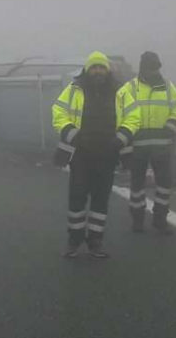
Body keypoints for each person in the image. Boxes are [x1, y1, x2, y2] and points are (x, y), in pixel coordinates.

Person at [53, 51, 140, 258]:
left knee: (101, 200)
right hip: (81, 154)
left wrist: (120, 139)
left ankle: (95, 241)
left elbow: (133, 117)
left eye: (101, 67)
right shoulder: (74, 89)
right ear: (87, 69)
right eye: (94, 67)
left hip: (107, 154)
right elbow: (58, 113)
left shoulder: (121, 92)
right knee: (77, 198)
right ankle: (74, 240)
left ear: (107, 70)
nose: (98, 71)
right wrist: (74, 136)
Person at [119, 51, 176, 234]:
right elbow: (120, 113)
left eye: (155, 67)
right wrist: (125, 144)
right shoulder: (130, 88)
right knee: (137, 187)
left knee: (164, 185)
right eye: (149, 67)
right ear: (142, 68)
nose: (153, 71)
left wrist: (171, 126)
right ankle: (138, 220)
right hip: (137, 147)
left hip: (162, 147)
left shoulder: (167, 87)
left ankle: (160, 220)